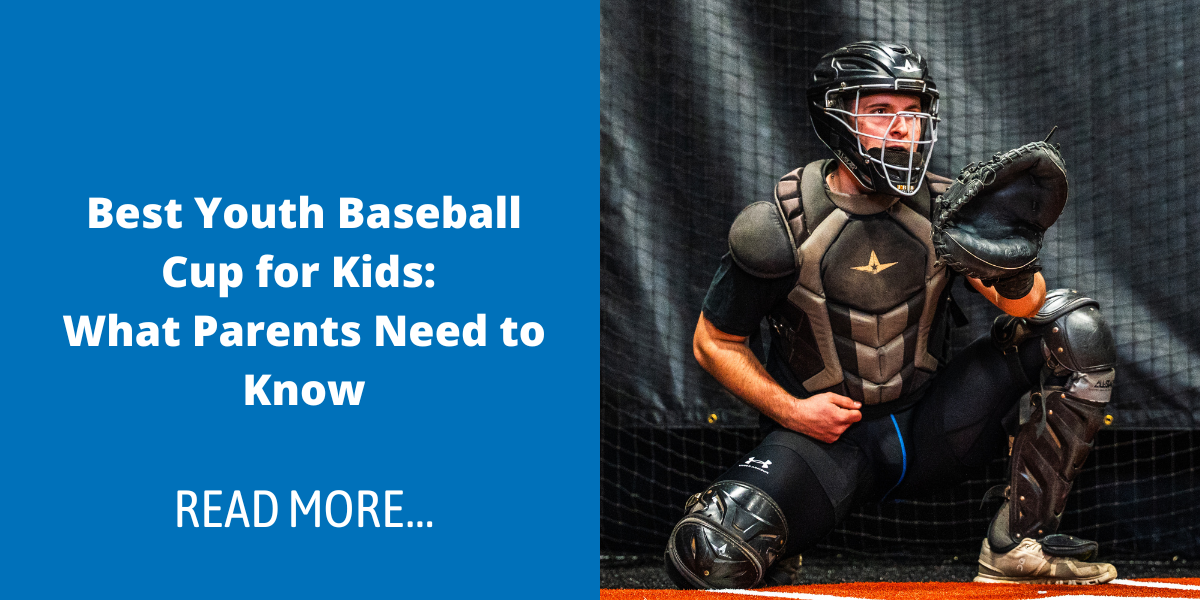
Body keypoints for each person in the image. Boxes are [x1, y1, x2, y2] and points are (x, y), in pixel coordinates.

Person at [664, 41, 1118, 589]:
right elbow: (713, 342)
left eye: (913, 112)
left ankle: (1018, 544)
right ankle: (786, 532)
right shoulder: (780, 225)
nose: (903, 128)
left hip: (933, 429)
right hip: (828, 443)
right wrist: (793, 412)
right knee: (708, 554)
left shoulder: (948, 208)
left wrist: (1015, 267)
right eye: (881, 111)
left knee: (1074, 329)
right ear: (835, 117)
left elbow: (1024, 306)